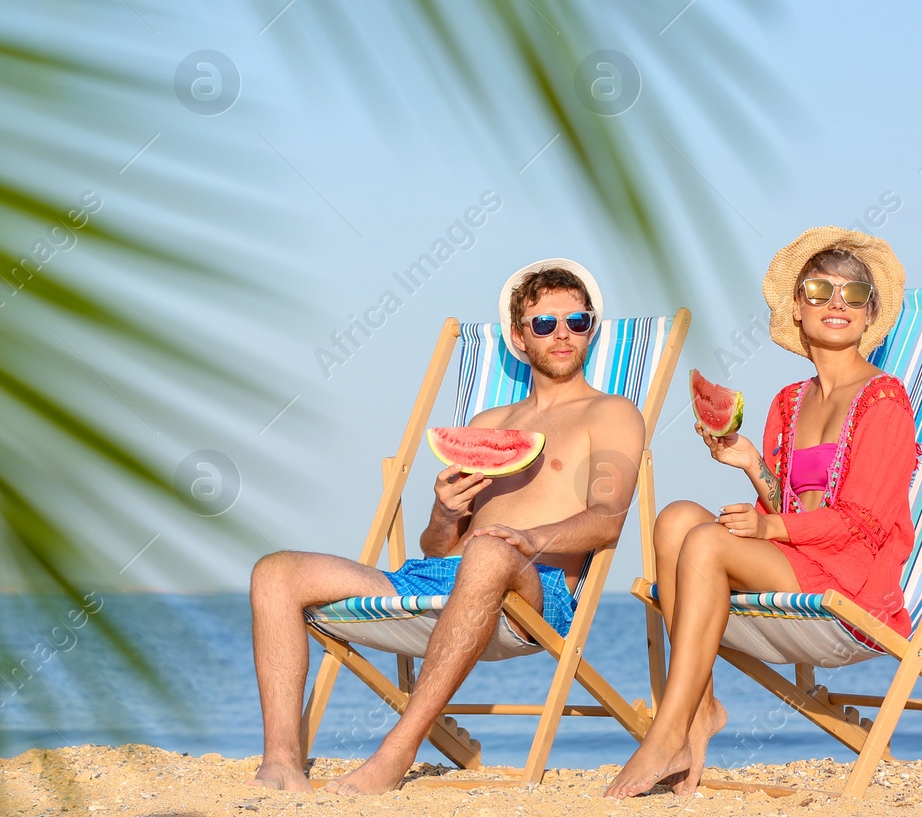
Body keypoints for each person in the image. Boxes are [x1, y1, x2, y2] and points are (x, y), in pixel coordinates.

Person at [247, 258, 646, 795]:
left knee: (486, 550)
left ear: (591, 329)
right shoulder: (487, 425)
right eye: (544, 324)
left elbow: (607, 519)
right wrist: (444, 512)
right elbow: (437, 552)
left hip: (538, 588)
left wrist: (525, 540)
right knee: (275, 572)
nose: (562, 335)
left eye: (577, 322)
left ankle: (396, 751)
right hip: (449, 578)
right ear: (518, 336)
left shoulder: (611, 412)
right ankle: (281, 760)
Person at [606, 227, 921, 798]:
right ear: (796, 308)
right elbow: (787, 506)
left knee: (705, 544)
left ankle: (667, 730)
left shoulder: (885, 400)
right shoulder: (788, 401)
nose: (836, 304)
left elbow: (865, 523)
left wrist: (771, 526)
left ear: (870, 315)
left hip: (855, 587)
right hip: (800, 561)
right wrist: (753, 463)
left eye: (854, 295)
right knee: (677, 517)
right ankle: (698, 709)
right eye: (821, 289)